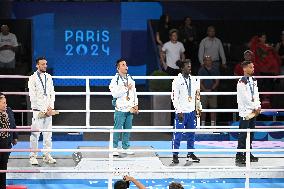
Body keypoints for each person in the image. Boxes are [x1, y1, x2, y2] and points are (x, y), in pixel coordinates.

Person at [171, 59, 201, 164]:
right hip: (181, 112)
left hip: (191, 111)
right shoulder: (177, 80)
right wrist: (178, 111)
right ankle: (175, 154)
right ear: (182, 67)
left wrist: (198, 108)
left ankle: (190, 154)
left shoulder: (194, 79)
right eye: (188, 66)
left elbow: (197, 95)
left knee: (191, 134)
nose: (190, 67)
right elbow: (174, 97)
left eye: (190, 65)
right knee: (178, 134)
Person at [28, 57, 56, 165]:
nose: (45, 66)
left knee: (48, 134)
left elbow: (52, 93)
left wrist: (50, 107)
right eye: (43, 64)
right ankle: (33, 156)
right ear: (37, 65)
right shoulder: (32, 78)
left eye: (46, 64)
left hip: (48, 110)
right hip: (37, 110)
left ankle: (47, 155)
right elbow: (32, 96)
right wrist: (42, 109)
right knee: (35, 134)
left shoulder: (49, 77)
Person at [109, 59, 139, 156]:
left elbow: (134, 93)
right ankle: (114, 148)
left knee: (127, 129)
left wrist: (136, 105)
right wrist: (126, 88)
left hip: (130, 108)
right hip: (120, 109)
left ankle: (125, 147)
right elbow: (114, 94)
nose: (126, 67)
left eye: (126, 64)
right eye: (123, 65)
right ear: (118, 68)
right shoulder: (115, 80)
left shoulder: (130, 78)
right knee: (117, 129)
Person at [236, 60, 261, 165]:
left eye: (253, 67)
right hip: (245, 112)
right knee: (243, 134)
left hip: (253, 111)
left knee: (251, 134)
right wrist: (254, 107)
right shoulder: (241, 81)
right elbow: (245, 98)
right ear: (245, 69)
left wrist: (258, 105)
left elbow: (256, 94)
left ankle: (248, 153)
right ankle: (239, 155)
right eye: (251, 67)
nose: (253, 69)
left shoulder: (254, 81)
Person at [0, 93, 18, 189]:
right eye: (3, 103)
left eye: (5, 103)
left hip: (7, 143)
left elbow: (13, 124)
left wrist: (15, 137)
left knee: (3, 167)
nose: (5, 105)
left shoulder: (9, 110)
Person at [198, 55, 219, 127]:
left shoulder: (215, 69)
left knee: (213, 108)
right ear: (204, 61)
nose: (208, 61)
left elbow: (217, 81)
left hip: (213, 91)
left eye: (209, 60)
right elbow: (200, 82)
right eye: (206, 60)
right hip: (204, 92)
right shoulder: (201, 70)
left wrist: (211, 90)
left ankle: (213, 125)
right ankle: (202, 125)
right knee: (203, 109)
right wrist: (205, 90)